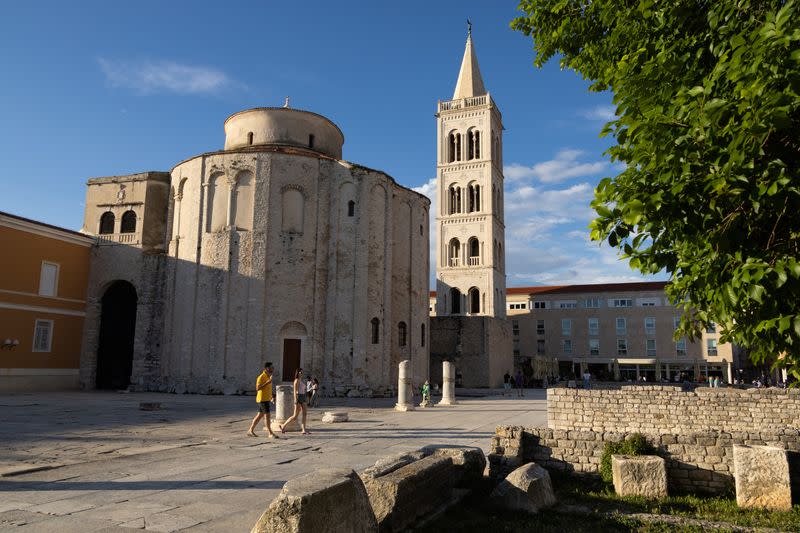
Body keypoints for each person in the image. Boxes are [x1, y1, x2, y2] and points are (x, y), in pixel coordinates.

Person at [247, 362, 279, 438]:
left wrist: (272, 396)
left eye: (273, 367)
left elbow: (268, 389)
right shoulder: (261, 377)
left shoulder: (269, 377)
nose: (273, 369)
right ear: (266, 368)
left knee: (259, 415)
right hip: (262, 399)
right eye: (271, 367)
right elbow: (257, 388)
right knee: (267, 416)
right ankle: (270, 433)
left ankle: (250, 430)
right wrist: (267, 383)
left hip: (266, 399)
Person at [280, 368, 310, 435]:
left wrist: (306, 397)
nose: (301, 374)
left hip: (303, 397)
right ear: (298, 373)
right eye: (300, 372)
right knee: (295, 416)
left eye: (302, 372)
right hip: (298, 397)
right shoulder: (296, 380)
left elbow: (304, 390)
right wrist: (296, 400)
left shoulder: (301, 380)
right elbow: (295, 391)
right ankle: (283, 426)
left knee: (305, 414)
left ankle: (303, 430)